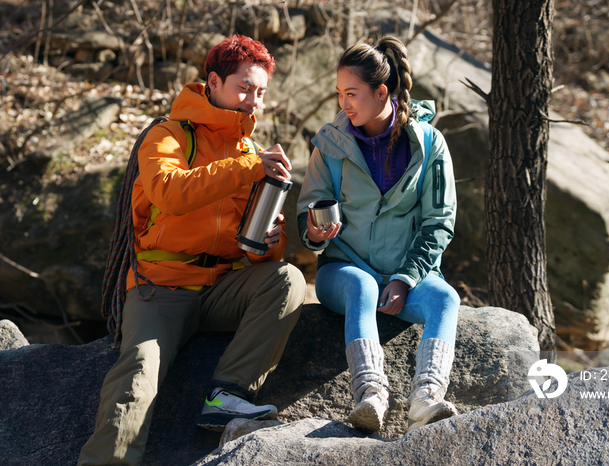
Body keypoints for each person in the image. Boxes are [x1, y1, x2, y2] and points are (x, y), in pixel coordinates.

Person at [78, 35, 306, 466]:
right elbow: (169, 193)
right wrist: (247, 167)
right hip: (160, 288)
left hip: (222, 286)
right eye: (243, 88)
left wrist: (269, 244)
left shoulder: (249, 152)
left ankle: (228, 395)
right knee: (137, 377)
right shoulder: (167, 135)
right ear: (213, 82)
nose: (252, 101)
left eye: (259, 92)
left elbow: (251, 250)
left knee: (287, 280)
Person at [296, 36, 460, 434]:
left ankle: (426, 396)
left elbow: (439, 221)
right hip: (344, 271)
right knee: (363, 287)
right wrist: (316, 232)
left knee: (446, 299)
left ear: (381, 91)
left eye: (351, 93)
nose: (343, 104)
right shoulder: (330, 144)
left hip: (408, 276)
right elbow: (308, 213)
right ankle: (369, 392)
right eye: (339, 94)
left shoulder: (429, 144)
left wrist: (406, 279)